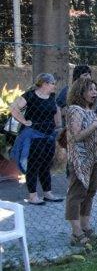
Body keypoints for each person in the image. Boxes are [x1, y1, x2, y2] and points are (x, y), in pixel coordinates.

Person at [9, 73, 63, 205]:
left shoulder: (51, 96)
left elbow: (56, 111)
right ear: (44, 84)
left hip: (49, 136)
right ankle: (33, 196)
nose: (54, 86)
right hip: (35, 136)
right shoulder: (31, 95)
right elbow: (13, 108)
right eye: (52, 83)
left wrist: (58, 126)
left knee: (46, 164)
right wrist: (24, 121)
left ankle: (47, 193)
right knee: (34, 165)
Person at [64, 76, 97, 246]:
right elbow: (76, 136)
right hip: (80, 159)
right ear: (81, 92)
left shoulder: (93, 111)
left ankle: (85, 225)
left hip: (95, 157)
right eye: (90, 89)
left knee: (91, 192)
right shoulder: (75, 110)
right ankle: (76, 231)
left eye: (95, 89)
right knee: (77, 194)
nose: (94, 92)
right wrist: (94, 126)